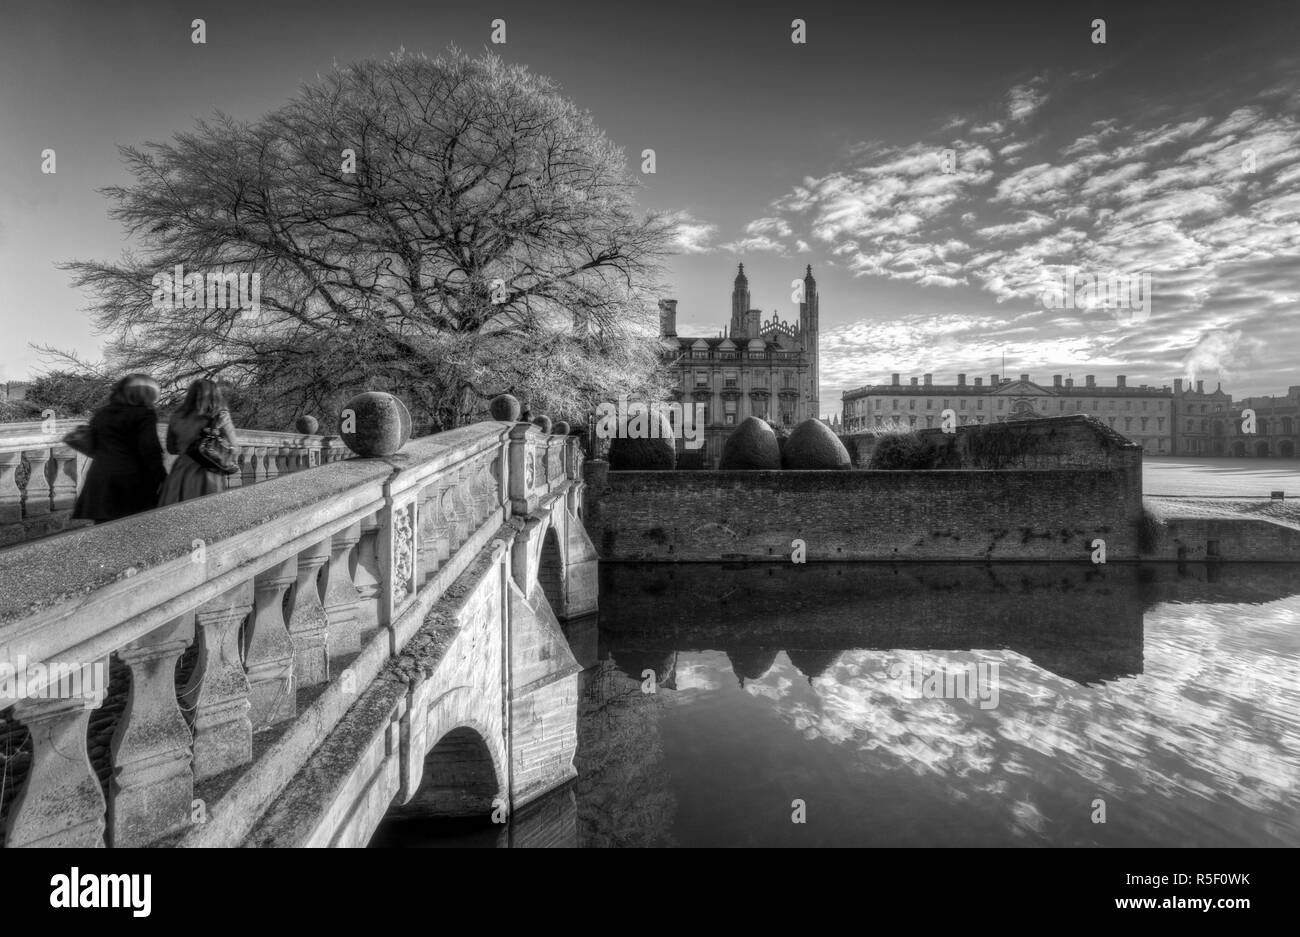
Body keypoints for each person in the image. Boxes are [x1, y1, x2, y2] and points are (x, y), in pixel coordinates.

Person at [71, 374, 167, 524]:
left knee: (104, 529)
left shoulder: (103, 413)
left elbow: (94, 445)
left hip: (101, 478)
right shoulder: (144, 414)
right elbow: (149, 450)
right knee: (135, 530)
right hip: (132, 481)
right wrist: (162, 478)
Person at [158, 379, 239, 506]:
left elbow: (171, 449)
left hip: (181, 471)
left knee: (176, 512)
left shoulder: (177, 416)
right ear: (215, 395)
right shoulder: (220, 416)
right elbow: (234, 448)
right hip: (209, 469)